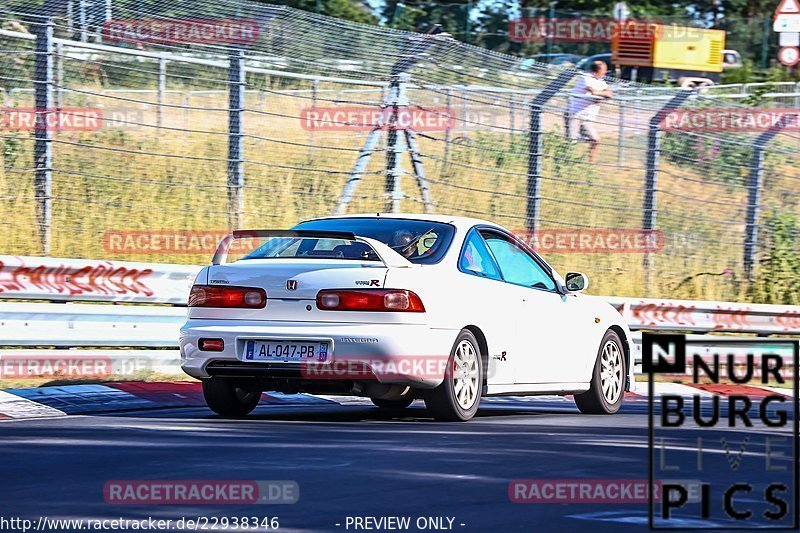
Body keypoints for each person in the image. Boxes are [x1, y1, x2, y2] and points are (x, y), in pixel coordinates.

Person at [565, 61, 613, 163]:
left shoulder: (601, 81)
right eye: (604, 71)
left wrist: (599, 94)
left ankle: (590, 164)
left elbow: (609, 94)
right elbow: (593, 91)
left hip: (588, 118)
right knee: (571, 141)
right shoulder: (585, 77)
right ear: (597, 71)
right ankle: (566, 162)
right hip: (575, 114)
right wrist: (600, 94)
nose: (605, 73)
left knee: (595, 140)